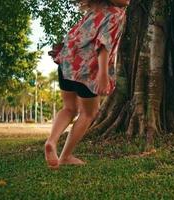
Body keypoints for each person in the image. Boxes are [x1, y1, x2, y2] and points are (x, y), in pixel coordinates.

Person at [44, 0, 130, 169]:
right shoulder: (116, 14)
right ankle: (66, 156)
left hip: (67, 62)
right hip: (87, 69)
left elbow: (75, 36)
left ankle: (51, 141)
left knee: (69, 108)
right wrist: (103, 73)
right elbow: (103, 43)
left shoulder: (94, 9)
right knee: (89, 113)